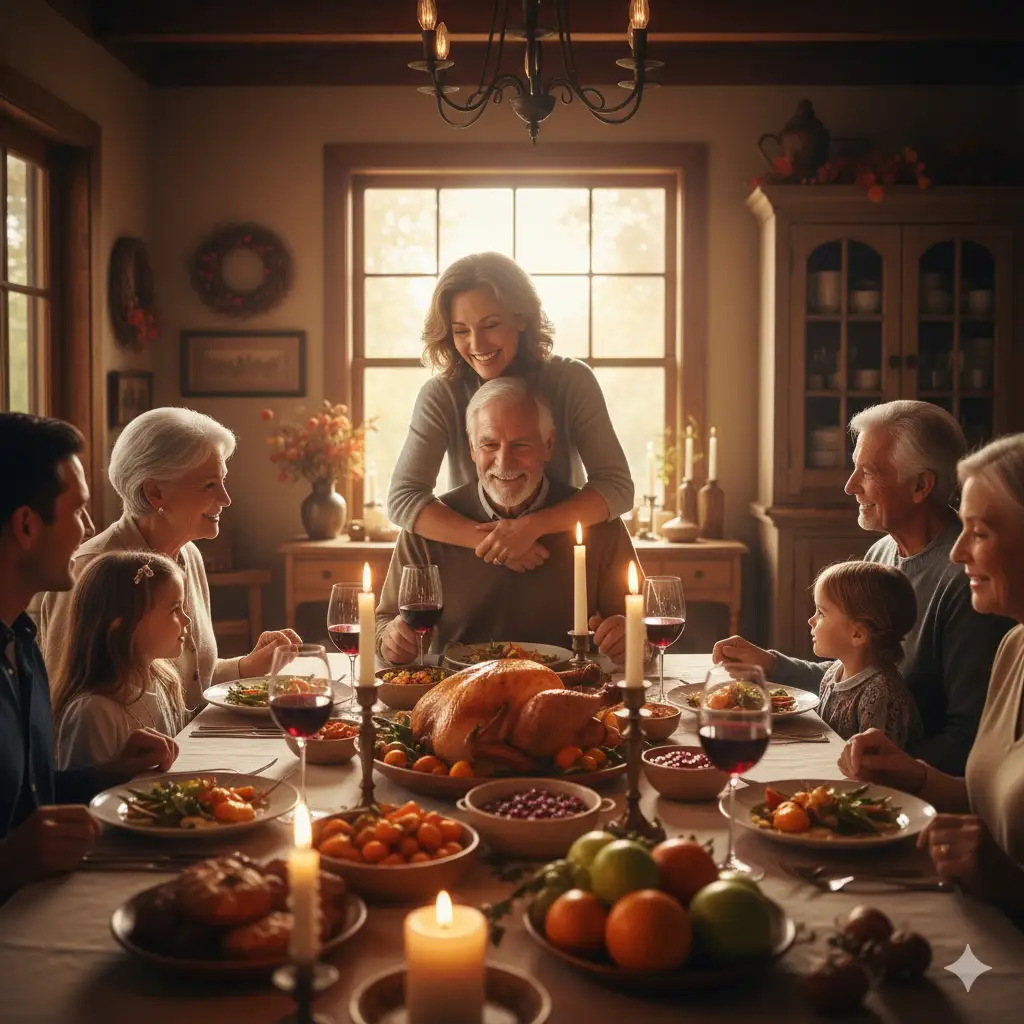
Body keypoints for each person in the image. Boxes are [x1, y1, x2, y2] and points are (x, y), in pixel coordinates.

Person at [713, 400, 1013, 773]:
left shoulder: (968, 581)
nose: (850, 486)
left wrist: (865, 773)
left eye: (867, 472)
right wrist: (772, 664)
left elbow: (968, 740)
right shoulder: (882, 551)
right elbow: (855, 676)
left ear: (921, 485)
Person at [837, 434, 1024, 920]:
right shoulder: (1015, 646)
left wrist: (1010, 882)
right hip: (973, 912)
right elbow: (997, 800)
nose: (958, 552)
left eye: (980, 532)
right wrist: (916, 775)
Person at [0, 413, 177, 892]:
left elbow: (34, 795)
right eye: (78, 510)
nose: (89, 527)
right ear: (26, 525)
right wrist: (8, 864)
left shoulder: (21, 640)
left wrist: (109, 772)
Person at [388, 252, 634, 574]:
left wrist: (532, 528)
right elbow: (403, 498)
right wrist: (498, 543)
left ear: (521, 318)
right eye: (461, 330)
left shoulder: (572, 381)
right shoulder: (441, 394)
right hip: (474, 562)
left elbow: (617, 487)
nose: (477, 344)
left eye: (490, 325)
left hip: (564, 554)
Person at [40, 407, 301, 709]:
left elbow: (188, 683)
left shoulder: (189, 555)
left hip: (189, 748)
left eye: (223, 481)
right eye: (209, 485)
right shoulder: (89, 569)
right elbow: (61, 705)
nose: (226, 499)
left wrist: (246, 667)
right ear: (155, 494)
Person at [377, 378, 641, 665]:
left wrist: (634, 640)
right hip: (455, 694)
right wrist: (390, 640)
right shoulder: (426, 526)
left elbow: (640, 628)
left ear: (548, 444)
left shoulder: (599, 522)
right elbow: (385, 622)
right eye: (489, 444)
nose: (504, 463)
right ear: (472, 448)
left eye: (521, 445)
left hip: (569, 691)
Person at [53, 551, 191, 769]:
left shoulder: (163, 682)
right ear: (122, 624)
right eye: (174, 609)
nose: (187, 619)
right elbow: (82, 796)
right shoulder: (94, 713)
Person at [807, 561, 921, 745]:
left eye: (821, 612)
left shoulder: (881, 696)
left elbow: (877, 768)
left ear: (857, 634)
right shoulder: (833, 674)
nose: (811, 620)